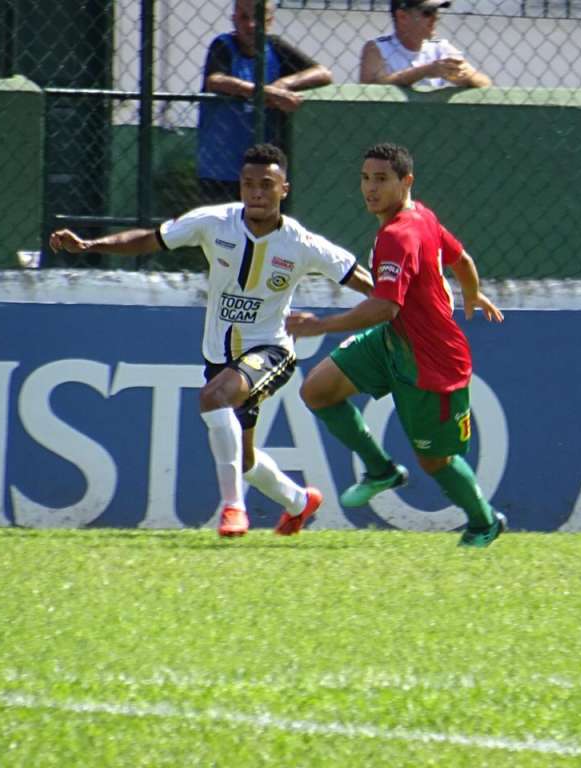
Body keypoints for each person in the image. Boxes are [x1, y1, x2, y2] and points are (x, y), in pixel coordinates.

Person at [49, 143, 374, 538]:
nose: (256, 193)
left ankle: (233, 509)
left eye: (266, 185)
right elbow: (152, 239)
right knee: (247, 460)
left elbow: (367, 283)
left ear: (283, 189)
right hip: (220, 355)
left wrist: (406, 307)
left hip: (270, 350)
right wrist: (90, 245)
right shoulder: (213, 222)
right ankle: (300, 501)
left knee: (212, 398)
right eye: (248, 184)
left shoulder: (301, 244)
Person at [286, 143, 506, 549]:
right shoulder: (421, 216)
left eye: (382, 179)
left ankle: (483, 522)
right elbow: (462, 259)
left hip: (431, 361)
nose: (371, 188)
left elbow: (384, 307)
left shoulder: (398, 235)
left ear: (406, 182)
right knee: (317, 390)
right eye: (365, 179)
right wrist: (471, 293)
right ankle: (379, 469)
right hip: (393, 342)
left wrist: (320, 324)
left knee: (433, 460)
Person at [196, 0, 331, 204]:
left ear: (270, 21)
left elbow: (323, 73)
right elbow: (215, 80)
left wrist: (283, 84)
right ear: (234, 20)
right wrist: (264, 92)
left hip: (263, 171)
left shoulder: (275, 47)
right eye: (244, 18)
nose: (251, 25)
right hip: (220, 171)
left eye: (258, 18)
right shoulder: (223, 46)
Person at [359, 0, 491, 89]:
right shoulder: (377, 48)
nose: (435, 18)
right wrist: (425, 71)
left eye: (436, 12)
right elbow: (372, 87)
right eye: (427, 13)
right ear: (402, 17)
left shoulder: (441, 48)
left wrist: (466, 76)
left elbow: (485, 84)